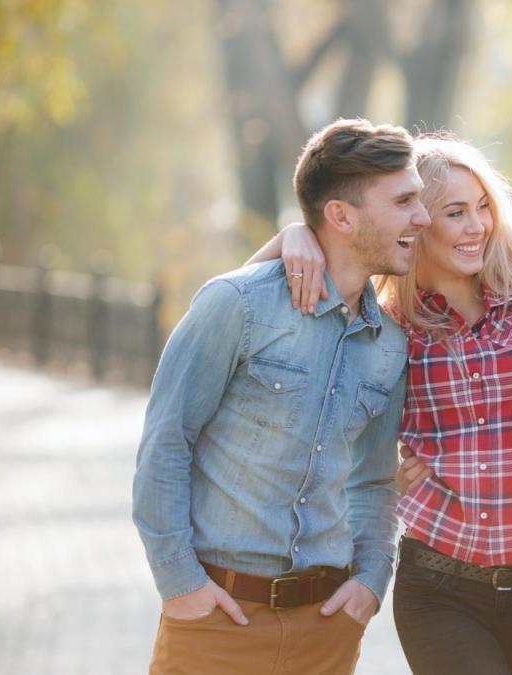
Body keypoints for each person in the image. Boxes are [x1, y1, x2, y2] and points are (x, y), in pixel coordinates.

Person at [250, 133, 512, 675]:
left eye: (482, 209)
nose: (477, 226)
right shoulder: (388, 329)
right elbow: (236, 299)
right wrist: (292, 236)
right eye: (455, 212)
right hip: (440, 586)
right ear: (417, 223)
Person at [132, 118, 427, 675]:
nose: (424, 217)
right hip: (217, 620)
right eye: (405, 200)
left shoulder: (390, 345)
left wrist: (370, 580)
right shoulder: (235, 305)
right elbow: (166, 441)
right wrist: (180, 585)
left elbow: (372, 479)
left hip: (326, 632)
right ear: (340, 216)